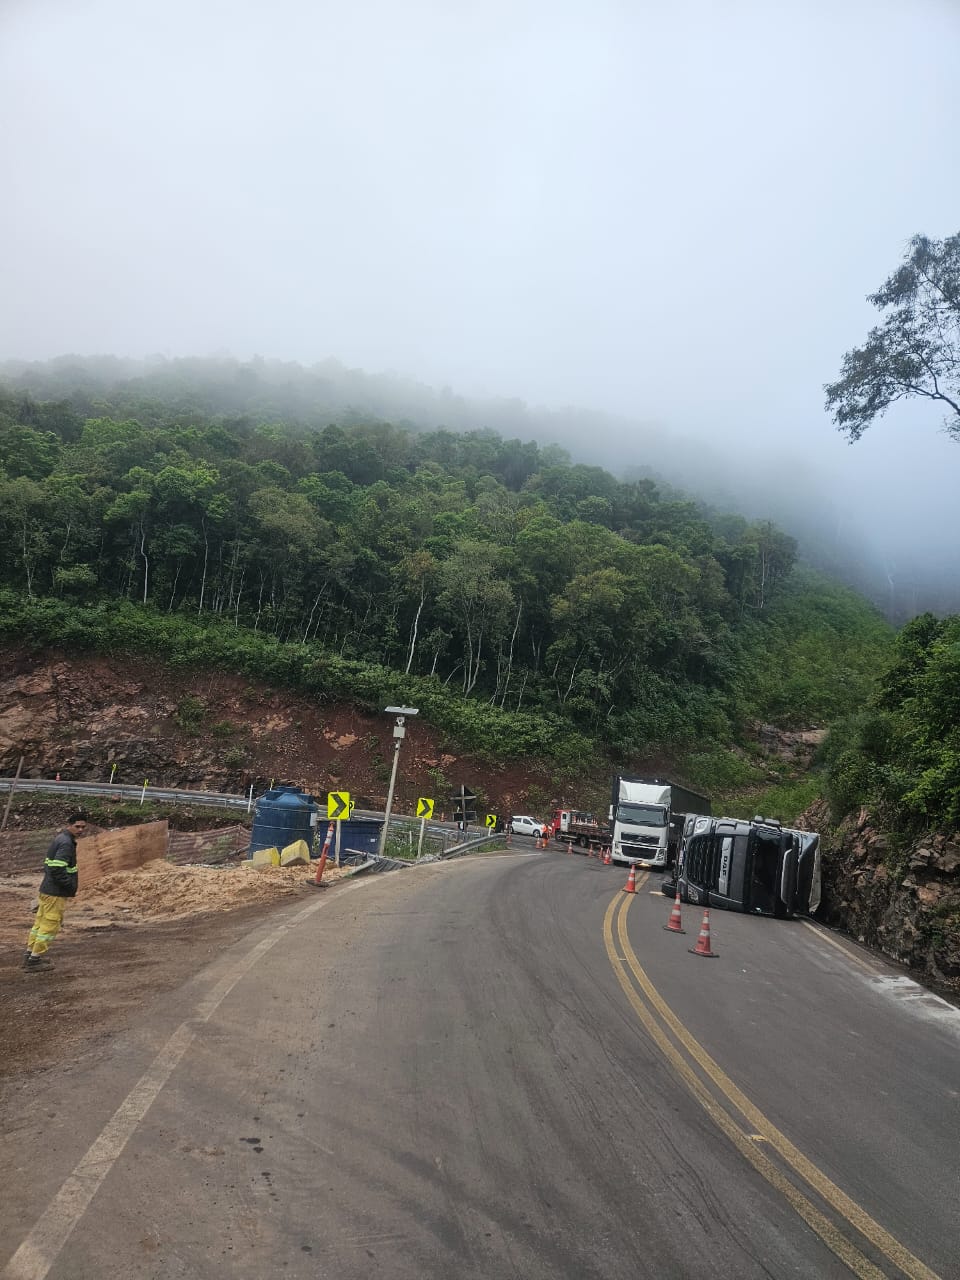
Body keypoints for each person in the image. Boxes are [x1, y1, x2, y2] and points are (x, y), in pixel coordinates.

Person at [23, 812, 86, 972]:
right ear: (69, 825)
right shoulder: (66, 843)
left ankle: (30, 954)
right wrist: (69, 886)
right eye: (77, 826)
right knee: (50, 925)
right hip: (55, 892)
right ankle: (34, 960)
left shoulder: (61, 839)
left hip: (46, 889)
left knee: (39, 923)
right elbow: (57, 868)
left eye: (83, 827)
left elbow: (49, 865)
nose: (80, 830)